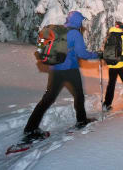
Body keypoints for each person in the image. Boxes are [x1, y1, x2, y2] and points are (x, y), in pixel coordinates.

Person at [24, 11, 101, 140]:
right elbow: (82, 54)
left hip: (55, 70)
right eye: (81, 21)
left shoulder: (60, 30)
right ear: (77, 21)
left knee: (47, 99)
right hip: (71, 70)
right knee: (79, 95)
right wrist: (97, 55)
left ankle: (30, 128)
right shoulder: (75, 33)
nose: (82, 24)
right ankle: (81, 121)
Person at [102, 21, 123, 112]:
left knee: (111, 85)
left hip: (111, 65)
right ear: (121, 28)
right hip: (122, 65)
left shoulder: (108, 37)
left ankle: (107, 104)